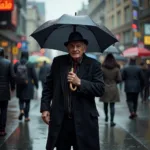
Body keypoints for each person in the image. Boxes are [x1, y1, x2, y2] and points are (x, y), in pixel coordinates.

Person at [40, 32, 105, 150]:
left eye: (78, 46)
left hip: (84, 121)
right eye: (72, 46)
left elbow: (100, 89)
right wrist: (45, 108)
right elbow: (48, 86)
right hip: (62, 121)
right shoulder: (58, 62)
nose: (75, 49)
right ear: (67, 47)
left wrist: (80, 82)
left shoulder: (93, 64)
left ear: (84, 48)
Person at [14, 51, 38, 122]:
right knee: (27, 101)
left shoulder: (17, 64)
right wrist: (37, 85)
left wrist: (13, 84)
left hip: (19, 85)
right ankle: (27, 117)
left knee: (21, 100)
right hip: (29, 85)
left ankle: (21, 110)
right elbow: (35, 76)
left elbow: (14, 74)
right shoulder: (30, 64)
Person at [100, 53, 122, 127]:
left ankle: (106, 117)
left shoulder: (102, 68)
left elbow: (100, 78)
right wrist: (114, 82)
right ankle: (112, 121)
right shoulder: (116, 69)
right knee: (112, 105)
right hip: (113, 88)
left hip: (105, 88)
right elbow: (119, 79)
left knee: (105, 104)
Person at [0, 47, 15, 136]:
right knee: (4, 110)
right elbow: (12, 76)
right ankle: (2, 130)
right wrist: (12, 87)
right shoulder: (8, 63)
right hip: (4, 90)